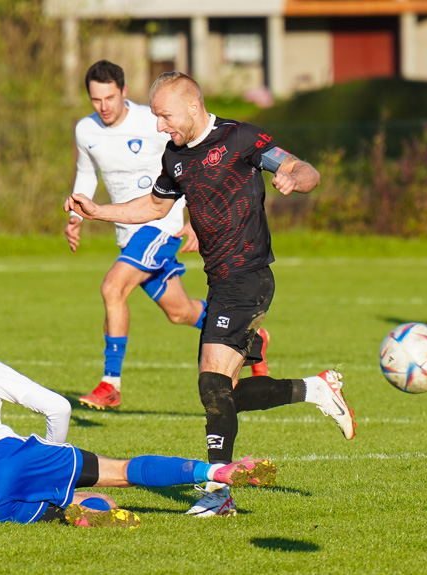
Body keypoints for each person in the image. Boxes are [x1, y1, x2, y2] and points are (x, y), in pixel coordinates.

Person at [65, 71, 356, 518]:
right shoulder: (176, 157)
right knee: (224, 394)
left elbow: (304, 168)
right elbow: (157, 205)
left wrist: (296, 178)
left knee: (210, 383)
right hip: (220, 282)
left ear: (193, 107)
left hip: (249, 277)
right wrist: (99, 210)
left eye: (164, 116)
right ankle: (314, 389)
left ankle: (219, 494)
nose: (160, 126)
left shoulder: (241, 139)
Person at [0, 322, 276, 527]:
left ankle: (86, 510)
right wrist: (57, 457)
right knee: (121, 472)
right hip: (1, 457)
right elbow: (57, 408)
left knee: (69, 507)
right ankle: (215, 470)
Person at [65, 60, 271, 411]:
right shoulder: (85, 130)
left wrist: (194, 219)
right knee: (180, 312)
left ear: (124, 92)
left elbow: (204, 148)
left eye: (110, 97)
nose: (104, 106)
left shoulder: (154, 119)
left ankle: (109, 384)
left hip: (161, 225)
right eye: (96, 99)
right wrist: (76, 214)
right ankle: (252, 338)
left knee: (113, 288)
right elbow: (87, 174)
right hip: (128, 233)